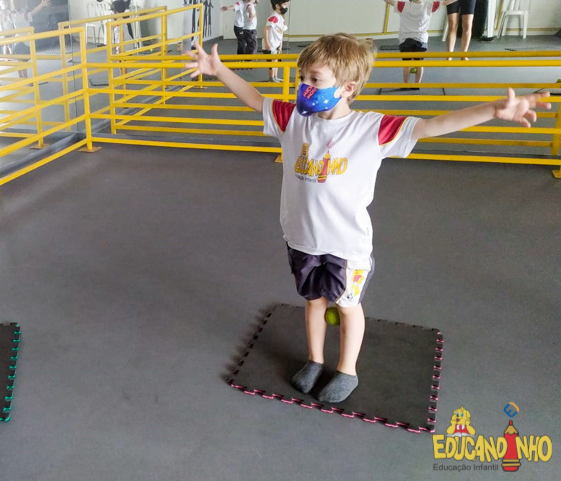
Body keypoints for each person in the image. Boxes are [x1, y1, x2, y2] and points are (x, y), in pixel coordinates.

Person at [185, 33, 549, 403]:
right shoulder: (292, 119)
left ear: (347, 87)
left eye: (314, 79)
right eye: (301, 78)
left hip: (346, 246)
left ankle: (347, 370)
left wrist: (492, 110)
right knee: (313, 302)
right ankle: (314, 360)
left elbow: (430, 126)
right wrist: (219, 70)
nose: (303, 86)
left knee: (346, 306)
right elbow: (255, 98)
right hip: (302, 238)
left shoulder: (371, 129)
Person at [385, 0, 457, 87]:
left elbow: (389, 1)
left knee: (406, 65)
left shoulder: (403, 5)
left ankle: (406, 84)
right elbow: (445, 2)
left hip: (405, 40)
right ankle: (417, 84)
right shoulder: (429, 5)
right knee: (420, 64)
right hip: (421, 40)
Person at [12, 0, 49, 78]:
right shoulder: (24, 16)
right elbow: (33, 12)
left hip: (17, 41)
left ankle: (21, 77)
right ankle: (25, 78)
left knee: (19, 60)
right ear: (23, 6)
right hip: (24, 42)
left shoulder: (14, 17)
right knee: (24, 61)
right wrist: (41, 5)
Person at [262, 0, 288, 82]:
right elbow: (266, 29)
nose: (286, 6)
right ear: (277, 6)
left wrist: (281, 44)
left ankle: (275, 76)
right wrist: (267, 43)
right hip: (271, 44)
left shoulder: (280, 18)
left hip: (277, 44)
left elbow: (282, 32)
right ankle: (271, 78)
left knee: (276, 60)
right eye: (284, 4)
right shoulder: (273, 17)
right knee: (271, 62)